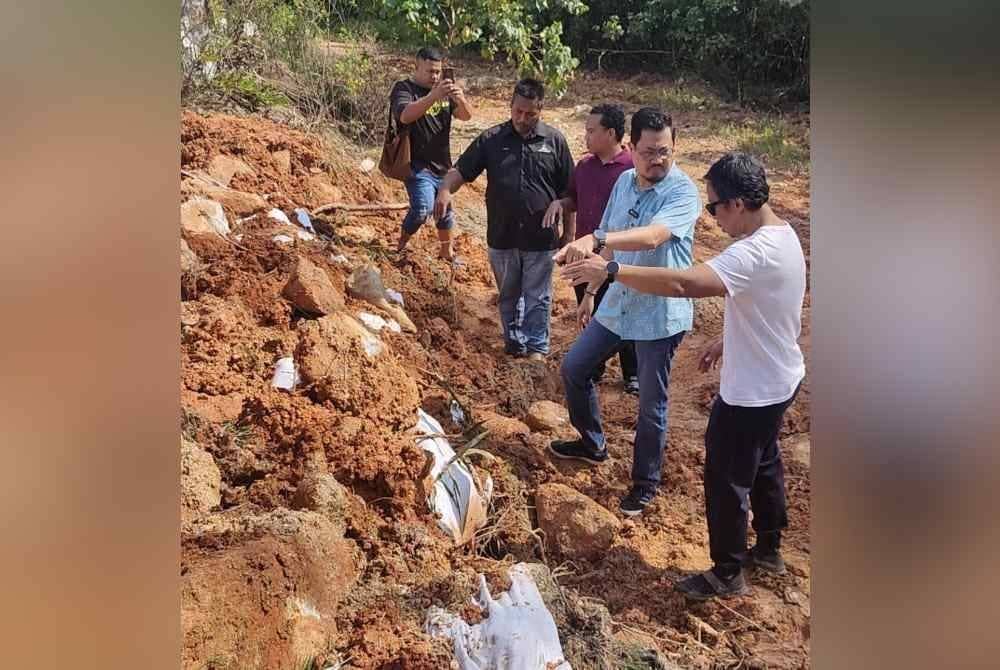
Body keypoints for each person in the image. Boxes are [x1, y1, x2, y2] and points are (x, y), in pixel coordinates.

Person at [561, 152, 806, 600]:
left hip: (751, 391)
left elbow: (683, 284)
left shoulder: (754, 250)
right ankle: (769, 546)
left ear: (736, 203)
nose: (711, 219)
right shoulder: (784, 234)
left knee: (726, 476)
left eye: (713, 207)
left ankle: (727, 572)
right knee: (765, 461)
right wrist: (730, 338)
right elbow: (771, 304)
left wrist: (611, 268)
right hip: (781, 376)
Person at [550, 107, 700, 516]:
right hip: (618, 301)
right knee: (575, 368)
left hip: (660, 310)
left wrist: (594, 237)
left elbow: (653, 236)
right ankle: (592, 443)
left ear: (675, 148)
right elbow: (614, 245)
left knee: (650, 404)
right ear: (631, 148)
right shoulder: (622, 182)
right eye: (649, 151)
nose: (658, 160)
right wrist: (591, 291)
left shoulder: (682, 192)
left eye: (665, 151)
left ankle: (645, 483)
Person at [434, 78, 573, 360]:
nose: (522, 118)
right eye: (518, 111)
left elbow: (570, 192)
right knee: (508, 294)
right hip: (502, 235)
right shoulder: (492, 139)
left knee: (538, 297)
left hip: (541, 237)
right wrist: (445, 190)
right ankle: (514, 345)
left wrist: (568, 235)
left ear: (541, 110)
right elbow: (461, 170)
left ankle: (536, 350)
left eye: (530, 114)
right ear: (510, 106)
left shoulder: (555, 141)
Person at [543, 103, 639, 394]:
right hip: (585, 255)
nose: (585, 136)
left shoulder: (632, 168)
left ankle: (632, 372)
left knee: (624, 312)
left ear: (611, 133)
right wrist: (561, 204)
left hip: (620, 256)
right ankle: (594, 366)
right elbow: (573, 197)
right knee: (590, 311)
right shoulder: (584, 166)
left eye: (591, 130)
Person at [389, 47, 473, 261]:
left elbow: (466, 116)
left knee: (443, 211)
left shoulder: (444, 92)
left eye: (437, 72)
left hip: (443, 166)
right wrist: (433, 96)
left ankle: (446, 252)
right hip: (416, 165)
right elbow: (405, 116)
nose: (434, 76)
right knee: (422, 208)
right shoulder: (404, 88)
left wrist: (460, 98)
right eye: (429, 71)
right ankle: (400, 245)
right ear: (416, 67)